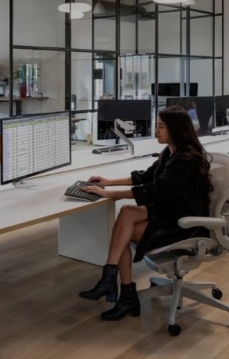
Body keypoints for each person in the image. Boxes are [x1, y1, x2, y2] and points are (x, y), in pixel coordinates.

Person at [78, 105, 213, 321]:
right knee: (126, 215)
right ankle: (114, 282)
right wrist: (109, 182)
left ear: (175, 129)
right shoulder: (170, 152)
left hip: (183, 223)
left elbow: (153, 190)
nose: (156, 131)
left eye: (161, 127)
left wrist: (108, 194)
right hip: (169, 211)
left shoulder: (186, 159)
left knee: (123, 232)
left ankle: (120, 289)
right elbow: (145, 176)